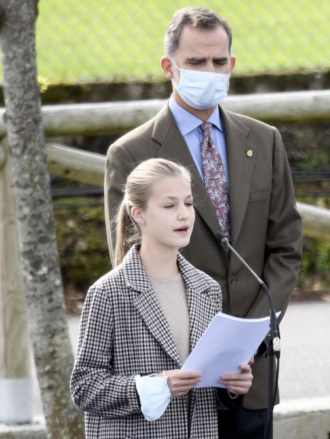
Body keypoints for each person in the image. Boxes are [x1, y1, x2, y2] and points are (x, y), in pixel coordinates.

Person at [103, 8, 303, 438]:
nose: (209, 71)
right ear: (168, 67)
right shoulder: (131, 154)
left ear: (232, 65)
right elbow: (129, 263)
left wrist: (252, 338)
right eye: (195, 62)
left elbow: (286, 246)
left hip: (251, 375)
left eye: (219, 62)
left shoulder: (264, 141)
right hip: (174, 375)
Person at [71, 158, 253, 438]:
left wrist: (231, 387)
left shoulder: (207, 289)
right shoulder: (108, 293)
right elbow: (84, 387)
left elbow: (205, 389)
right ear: (138, 214)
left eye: (189, 203)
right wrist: (154, 386)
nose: (185, 215)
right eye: (170, 206)